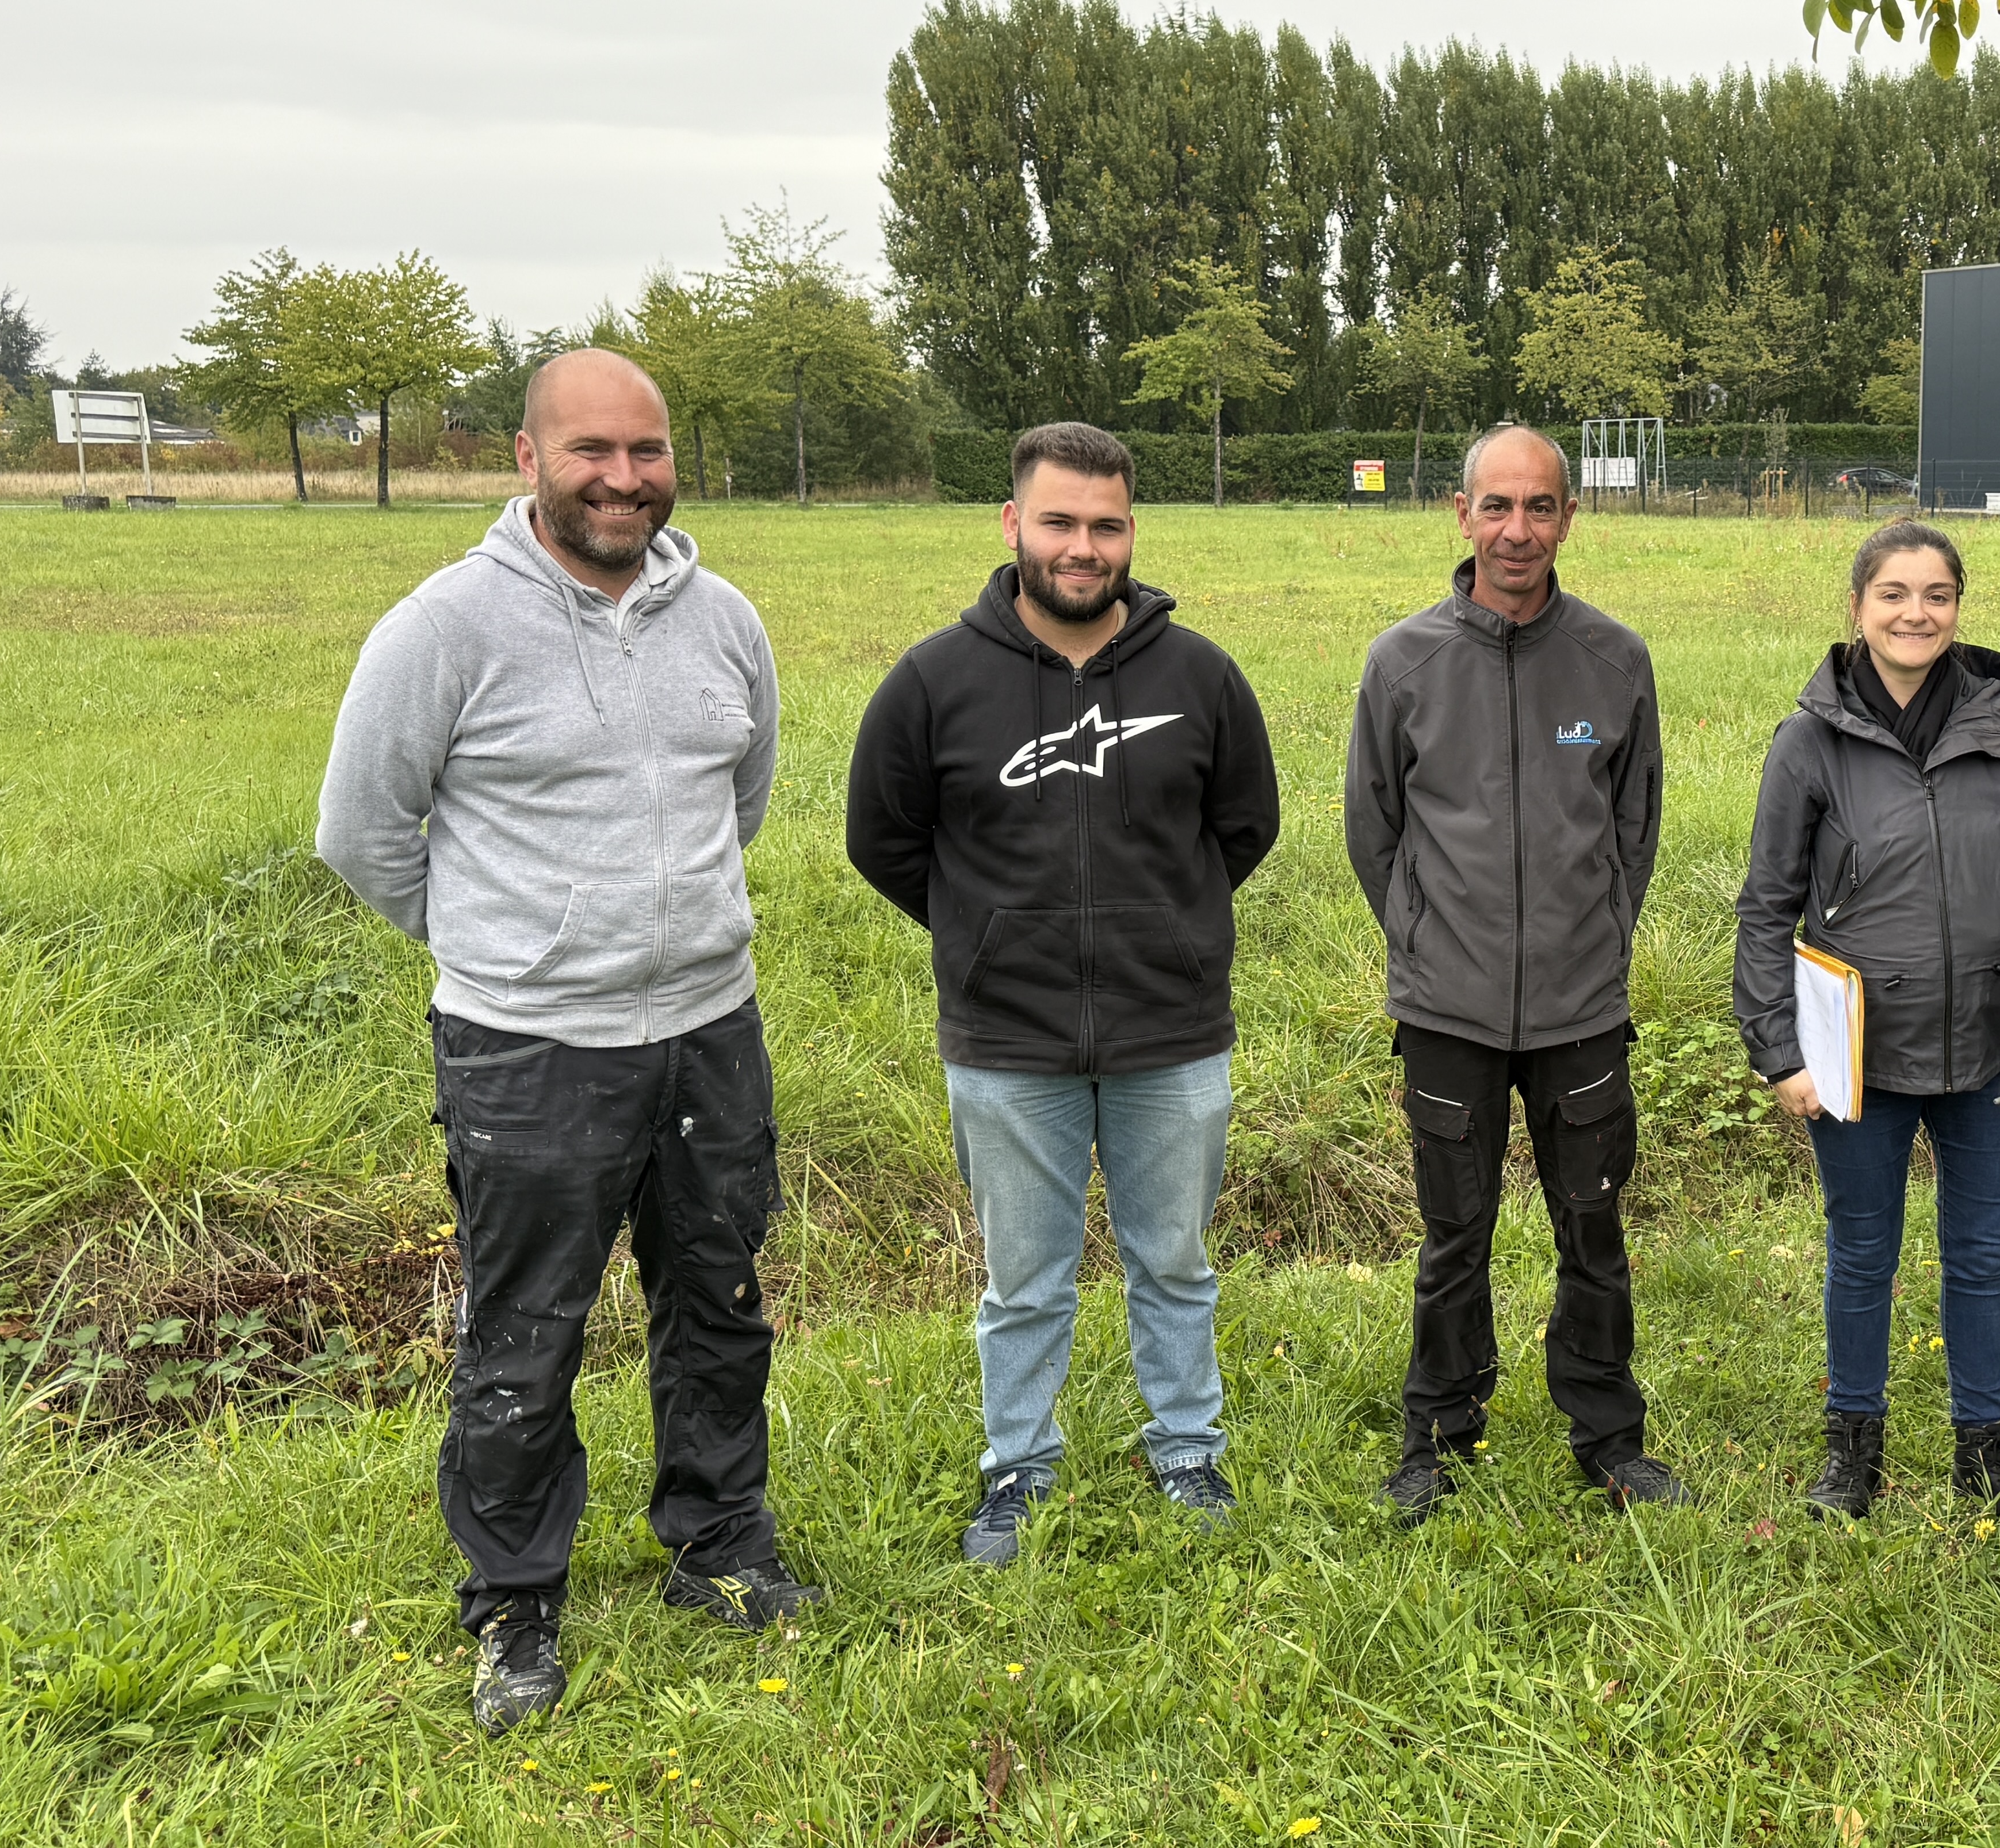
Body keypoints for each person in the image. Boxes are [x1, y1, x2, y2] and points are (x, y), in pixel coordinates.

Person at [316, 349, 820, 1736]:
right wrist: (512, 946)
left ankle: (718, 1543)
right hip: (530, 1051)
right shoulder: (444, 628)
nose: (623, 476)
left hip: (710, 1032)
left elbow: (745, 800)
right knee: (525, 1328)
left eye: (646, 450)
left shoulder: (724, 620)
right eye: (591, 449)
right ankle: (516, 1598)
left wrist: (671, 933)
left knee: (717, 1302)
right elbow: (360, 833)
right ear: (526, 459)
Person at [845, 423, 1280, 1562]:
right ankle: (1017, 1469)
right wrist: (991, 936)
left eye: (1106, 524)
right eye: (1060, 522)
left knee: (1173, 1262)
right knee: (1024, 1280)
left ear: (1132, 529)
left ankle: (1188, 1451)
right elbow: (885, 840)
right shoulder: (935, 682)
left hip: (1170, 1034)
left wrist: (1163, 931)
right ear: (1013, 526)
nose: (1083, 547)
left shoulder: (1202, 678)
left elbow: (1245, 826)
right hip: (1008, 1042)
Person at [1344, 423, 1685, 1521]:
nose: (1518, 529)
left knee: (1594, 1226)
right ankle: (1437, 1435)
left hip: (1582, 1011)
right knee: (1456, 1234)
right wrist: (1430, 940)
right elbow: (1373, 829)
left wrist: (1590, 938)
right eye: (1498, 506)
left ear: (1570, 518)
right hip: (1448, 1009)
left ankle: (1609, 1434)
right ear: (1461, 514)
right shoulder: (1402, 662)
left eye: (1541, 507)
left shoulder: (1616, 658)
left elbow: (1634, 826)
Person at [1733, 521, 2000, 1540]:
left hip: (1989, 1051)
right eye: (1893, 593)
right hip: (1859, 1056)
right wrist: (1779, 1050)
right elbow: (1766, 906)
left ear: (1958, 608)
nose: (1915, 613)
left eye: (1936, 594)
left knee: (1982, 1254)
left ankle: (1987, 1452)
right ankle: (1855, 1445)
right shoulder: (1811, 741)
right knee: (1862, 1251)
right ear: (1857, 609)